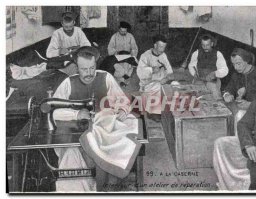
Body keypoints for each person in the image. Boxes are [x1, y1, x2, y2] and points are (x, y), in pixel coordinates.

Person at [52, 46, 130, 192]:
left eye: (92, 68)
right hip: (76, 134)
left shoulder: (105, 77)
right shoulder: (69, 83)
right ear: (77, 67)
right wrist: (76, 114)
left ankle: (102, 188)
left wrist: (123, 109)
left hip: (101, 131)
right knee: (71, 155)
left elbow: (123, 100)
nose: (88, 73)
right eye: (84, 69)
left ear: (95, 65)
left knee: (113, 153)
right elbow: (54, 111)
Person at [223, 48, 256, 135]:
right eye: (233, 64)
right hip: (242, 109)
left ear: (247, 61)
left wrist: (250, 104)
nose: (235, 67)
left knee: (239, 116)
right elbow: (228, 88)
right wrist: (227, 95)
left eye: (238, 64)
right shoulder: (236, 74)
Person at [137, 34, 174, 121]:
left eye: (164, 47)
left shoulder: (163, 55)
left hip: (162, 81)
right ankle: (153, 112)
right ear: (155, 45)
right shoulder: (145, 56)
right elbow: (140, 73)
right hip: (148, 84)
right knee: (157, 86)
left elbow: (170, 72)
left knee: (175, 85)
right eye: (161, 46)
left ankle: (169, 111)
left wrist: (167, 78)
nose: (163, 49)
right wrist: (151, 69)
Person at [46, 11, 91, 76]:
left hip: (77, 57)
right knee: (75, 70)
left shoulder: (78, 31)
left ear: (74, 23)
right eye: (66, 27)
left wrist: (76, 48)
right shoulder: (57, 33)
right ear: (62, 24)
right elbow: (48, 53)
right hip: (64, 60)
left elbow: (88, 45)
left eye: (70, 26)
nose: (68, 29)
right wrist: (59, 51)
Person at [188, 34, 228, 100]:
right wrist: (194, 73)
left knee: (216, 97)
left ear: (212, 44)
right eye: (203, 45)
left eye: (207, 45)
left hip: (212, 82)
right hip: (200, 80)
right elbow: (191, 65)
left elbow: (225, 69)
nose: (205, 47)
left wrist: (215, 73)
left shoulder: (218, 54)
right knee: (194, 96)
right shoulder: (197, 53)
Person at [107, 21, 138, 86]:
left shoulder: (130, 36)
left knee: (128, 66)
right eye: (122, 31)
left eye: (125, 31)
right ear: (119, 29)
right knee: (120, 71)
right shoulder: (114, 36)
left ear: (127, 30)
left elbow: (134, 47)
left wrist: (133, 54)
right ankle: (121, 80)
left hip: (128, 56)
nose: (123, 33)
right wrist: (116, 52)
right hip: (117, 57)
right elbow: (110, 48)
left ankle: (122, 80)